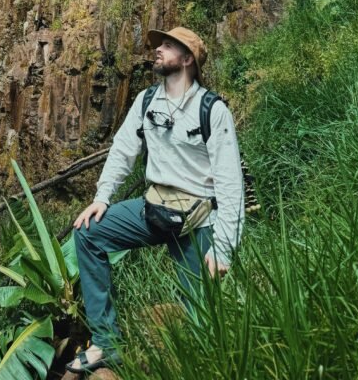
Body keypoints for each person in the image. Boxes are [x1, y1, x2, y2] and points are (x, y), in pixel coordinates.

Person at [68, 26, 245, 374]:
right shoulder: (147, 100)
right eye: (159, 45)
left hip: (197, 220)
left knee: (201, 322)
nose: (158, 50)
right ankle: (107, 342)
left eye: (168, 45)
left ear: (188, 59)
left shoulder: (213, 111)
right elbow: (122, 150)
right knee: (88, 233)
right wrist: (102, 197)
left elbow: (230, 186)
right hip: (152, 208)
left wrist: (224, 249)